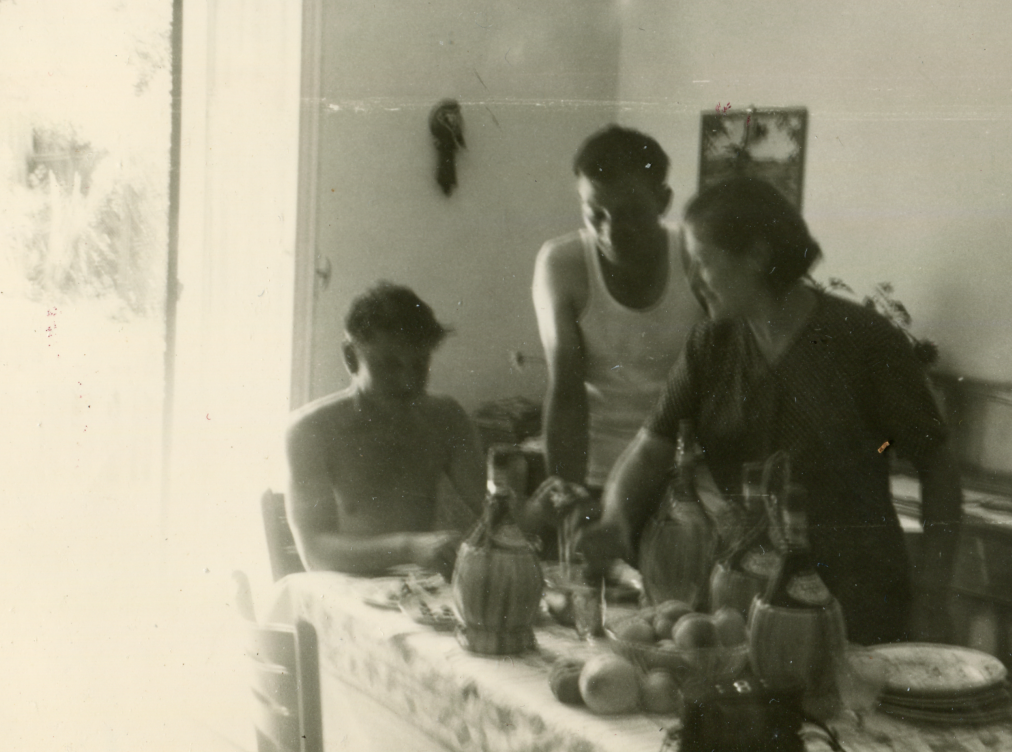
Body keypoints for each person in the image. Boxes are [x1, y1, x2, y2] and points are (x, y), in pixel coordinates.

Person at [580, 177, 963, 645]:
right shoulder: (712, 344)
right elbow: (649, 446)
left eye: (701, 262)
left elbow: (938, 464)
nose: (693, 281)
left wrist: (933, 593)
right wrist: (616, 521)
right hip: (745, 591)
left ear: (757, 255)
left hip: (855, 599)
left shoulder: (864, 341)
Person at [529, 125, 705, 531]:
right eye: (596, 214)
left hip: (684, 478)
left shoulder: (695, 256)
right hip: (596, 475)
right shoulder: (563, 264)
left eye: (630, 214)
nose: (610, 231)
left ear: (662, 202)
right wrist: (567, 497)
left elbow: (718, 389)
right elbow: (567, 392)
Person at [285, 282, 486, 577]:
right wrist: (408, 548)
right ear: (351, 357)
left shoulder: (446, 417)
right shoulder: (310, 430)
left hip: (414, 591)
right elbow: (315, 553)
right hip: (344, 590)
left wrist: (542, 508)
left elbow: (496, 514)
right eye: (389, 365)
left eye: (420, 364)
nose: (408, 381)